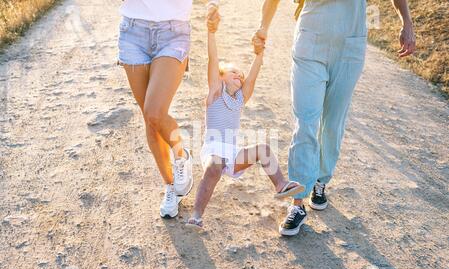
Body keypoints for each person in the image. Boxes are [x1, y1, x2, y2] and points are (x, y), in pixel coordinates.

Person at [252, 0, 416, 236]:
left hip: (350, 44)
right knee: (306, 121)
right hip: (310, 39)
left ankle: (321, 180)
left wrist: (407, 22)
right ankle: (297, 202)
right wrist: (263, 26)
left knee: (333, 123)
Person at [185, 9, 304, 229]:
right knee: (214, 167)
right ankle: (197, 214)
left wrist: (259, 53)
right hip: (213, 150)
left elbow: (253, 74)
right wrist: (211, 32)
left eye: (240, 74)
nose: (239, 75)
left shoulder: (240, 98)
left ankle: (281, 185)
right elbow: (213, 59)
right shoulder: (215, 91)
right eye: (233, 72)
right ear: (220, 77)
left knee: (263, 149)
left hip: (232, 152)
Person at [117, 0, 220, 219]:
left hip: (173, 32)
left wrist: (213, 4)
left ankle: (181, 154)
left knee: (155, 111)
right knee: (150, 119)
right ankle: (171, 186)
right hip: (132, 30)